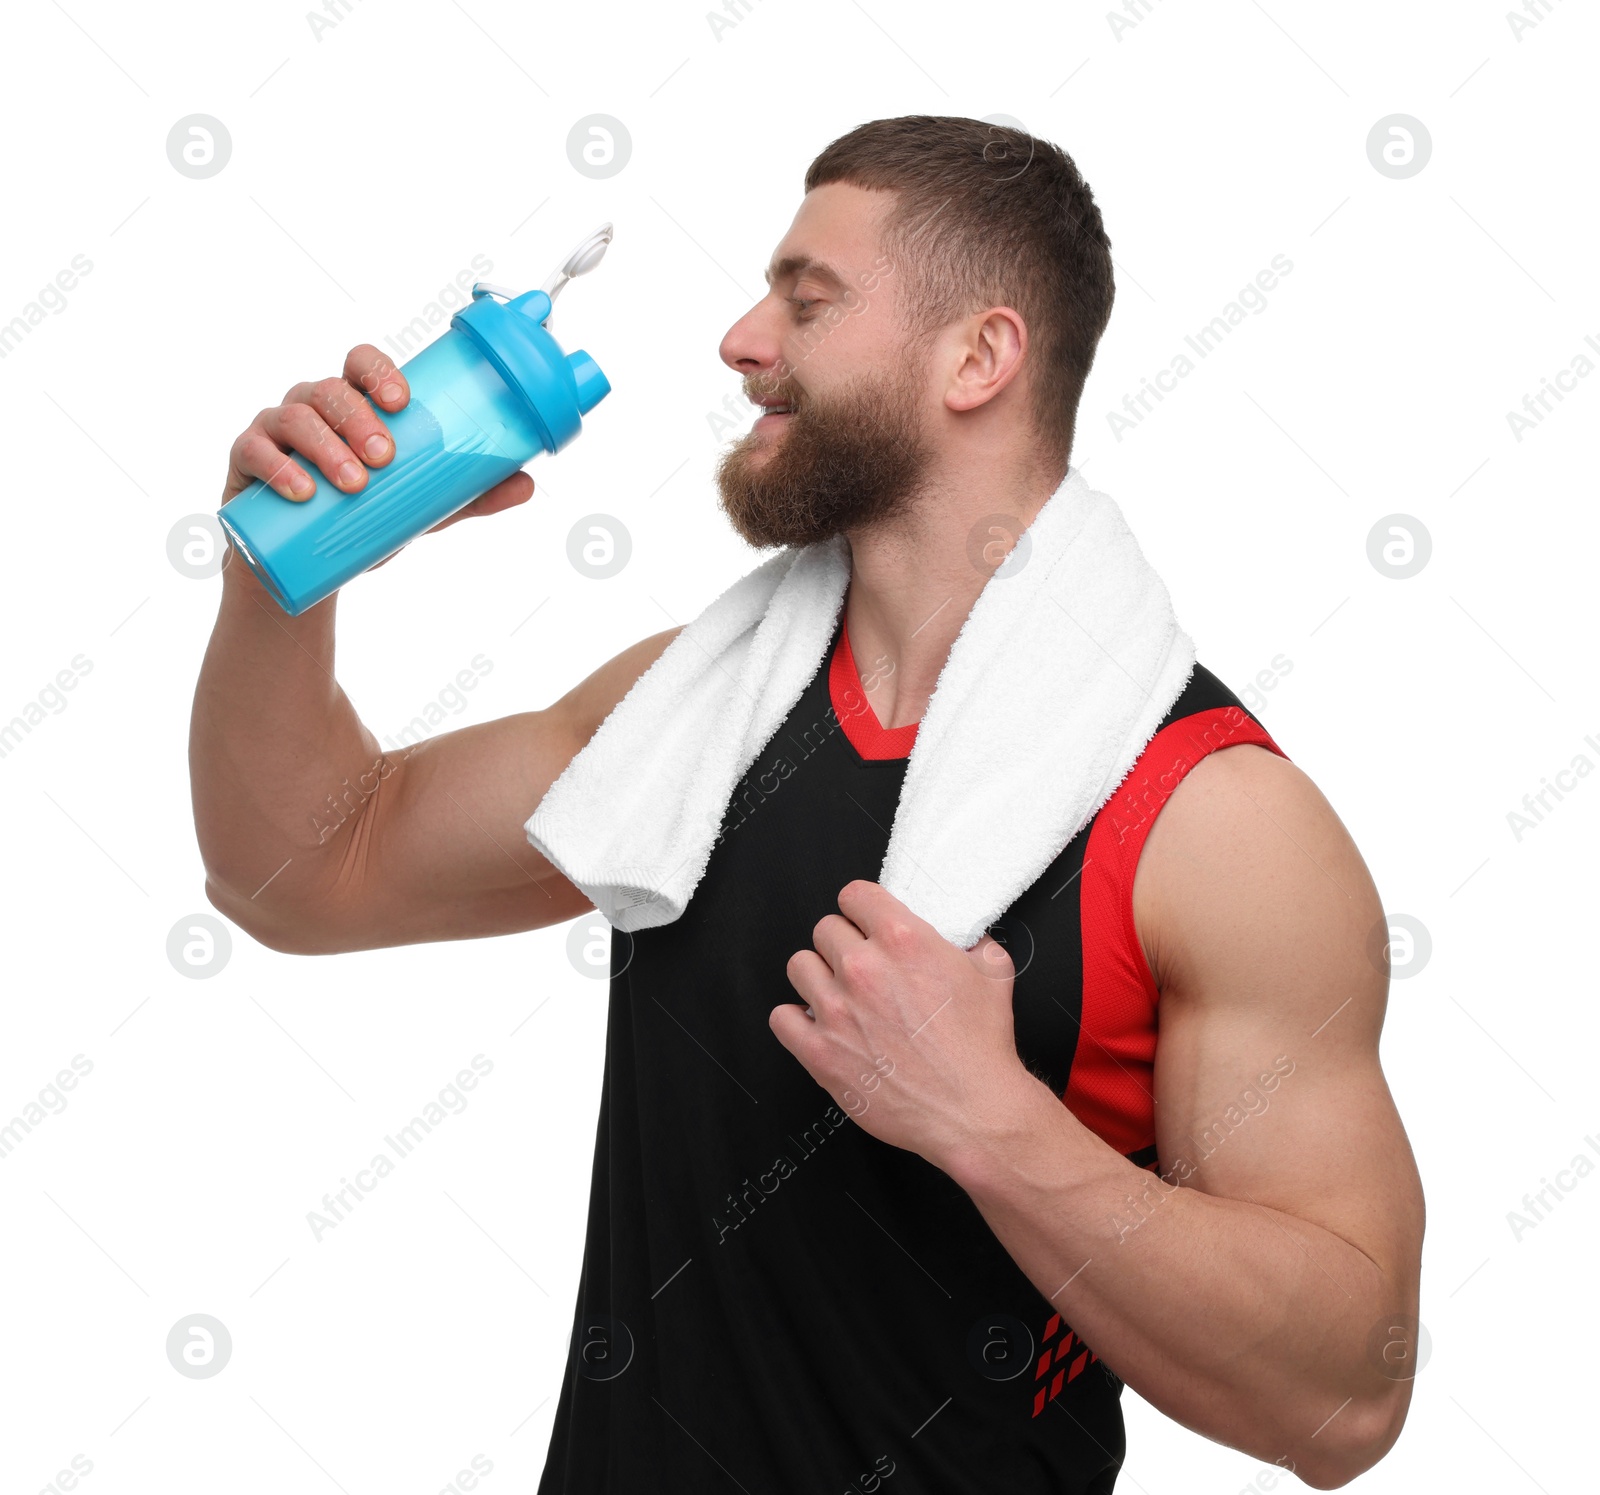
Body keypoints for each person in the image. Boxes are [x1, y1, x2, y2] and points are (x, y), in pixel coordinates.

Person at [191, 115, 1424, 1492]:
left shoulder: (1213, 822)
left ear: (980, 358)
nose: (741, 338)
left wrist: (990, 1122)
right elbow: (299, 876)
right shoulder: (688, 717)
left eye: (808, 299)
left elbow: (1346, 1398)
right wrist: (280, 570)